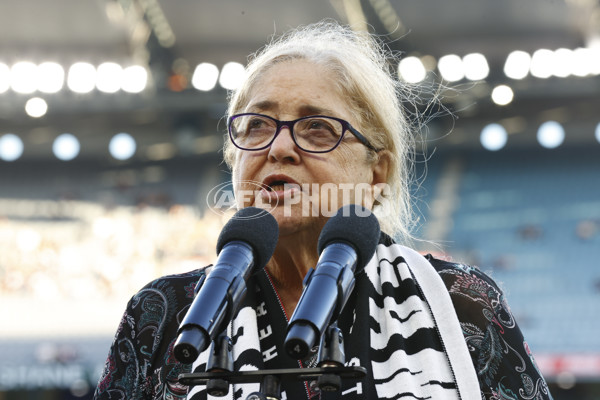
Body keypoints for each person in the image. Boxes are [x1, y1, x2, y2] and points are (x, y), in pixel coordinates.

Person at [94, 21, 553, 400]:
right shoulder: (163, 315)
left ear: (377, 172)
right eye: (256, 125)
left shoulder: (460, 304)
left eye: (316, 128)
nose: (279, 147)